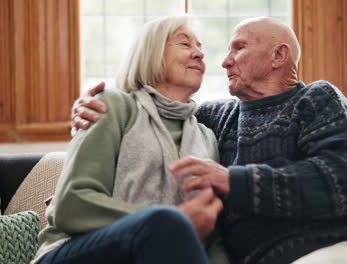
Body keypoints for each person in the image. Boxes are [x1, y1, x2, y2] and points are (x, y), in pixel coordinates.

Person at [72, 17, 347, 264]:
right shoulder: (215, 118)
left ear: (278, 56)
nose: (223, 61)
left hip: (332, 248)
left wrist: (232, 179)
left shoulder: (317, 99)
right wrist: (93, 107)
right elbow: (156, 110)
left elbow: (341, 182)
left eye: (239, 48)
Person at [34, 15, 226, 264]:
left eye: (200, 47)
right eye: (185, 44)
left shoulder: (206, 137)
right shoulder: (111, 106)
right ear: (151, 52)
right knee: (166, 223)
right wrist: (177, 220)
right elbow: (72, 206)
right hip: (73, 249)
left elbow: (213, 236)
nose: (199, 53)